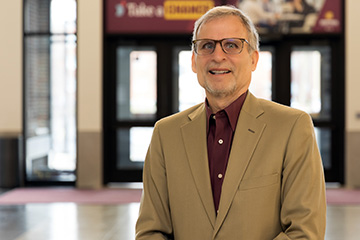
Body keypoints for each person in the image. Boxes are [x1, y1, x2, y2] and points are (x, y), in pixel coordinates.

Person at [136, 5, 326, 240]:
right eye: (207, 45)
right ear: (194, 62)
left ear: (254, 59)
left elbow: (304, 231)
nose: (217, 56)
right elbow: (150, 231)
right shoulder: (166, 134)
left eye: (232, 45)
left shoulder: (292, 128)